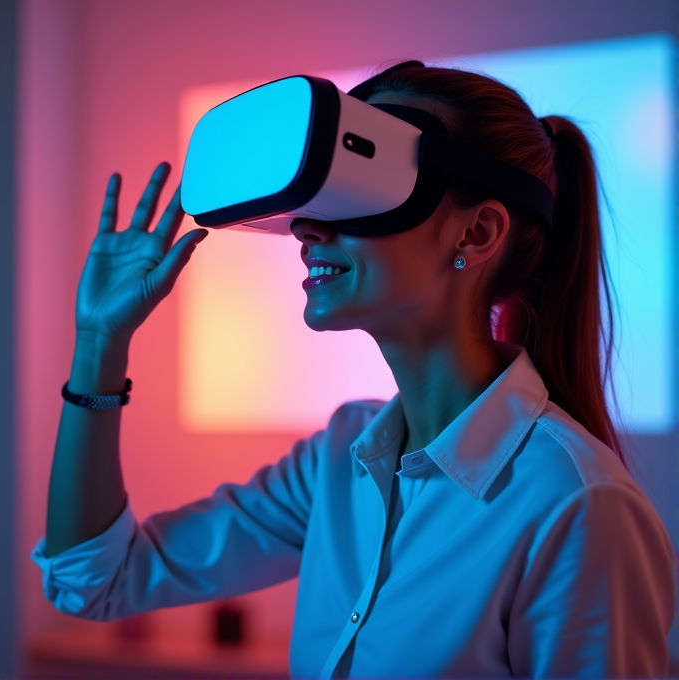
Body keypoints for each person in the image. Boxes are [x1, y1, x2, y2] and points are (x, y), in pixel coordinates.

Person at [33, 63, 676, 678]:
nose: (308, 226)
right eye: (316, 195)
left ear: (476, 233)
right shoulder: (337, 462)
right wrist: (99, 344)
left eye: (359, 186)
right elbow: (97, 580)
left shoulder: (579, 508)